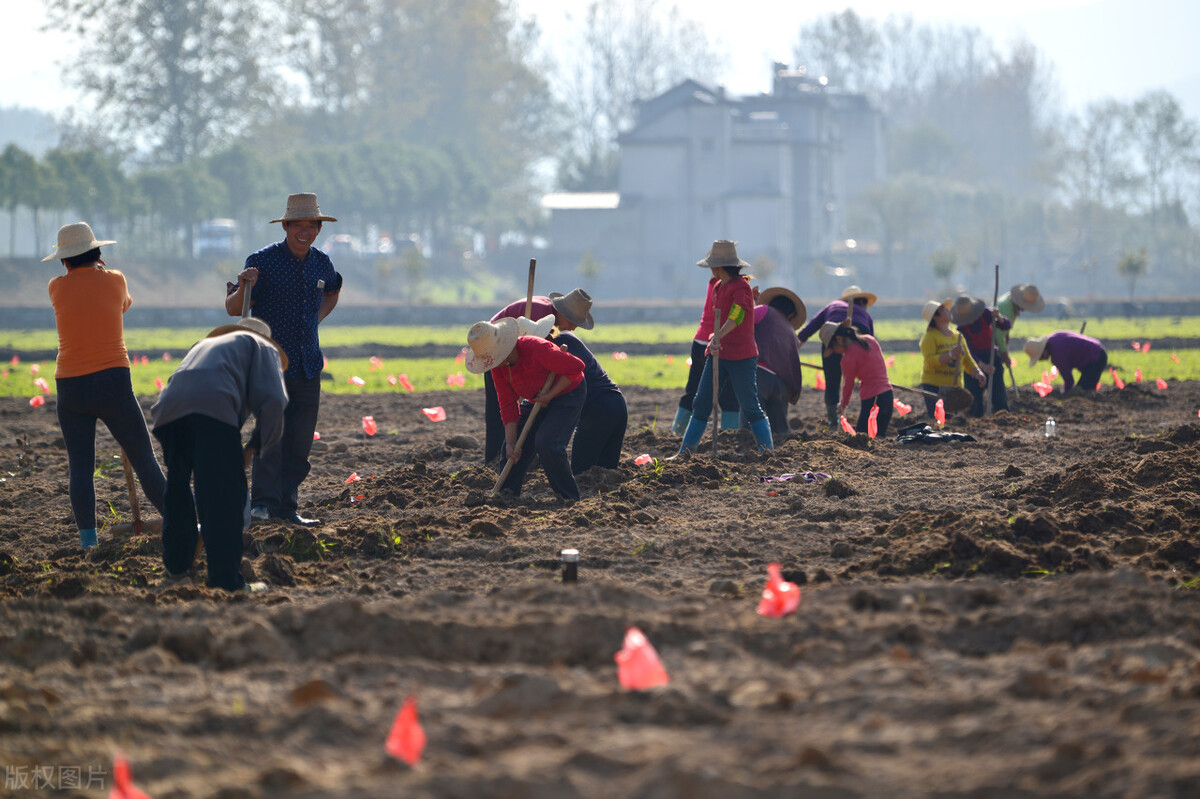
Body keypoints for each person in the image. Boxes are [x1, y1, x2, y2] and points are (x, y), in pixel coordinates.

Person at [44, 222, 167, 550]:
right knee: (144, 460)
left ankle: (88, 542)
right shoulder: (116, 280)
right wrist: (103, 273)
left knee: (80, 468)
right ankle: (180, 520)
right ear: (98, 254)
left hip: (69, 386)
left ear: (65, 261)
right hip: (112, 382)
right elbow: (124, 304)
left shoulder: (55, 287)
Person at [224, 193, 342, 527]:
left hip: (308, 364)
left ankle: (287, 506)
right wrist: (243, 286)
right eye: (298, 225)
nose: (305, 232)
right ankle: (262, 504)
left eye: (312, 226)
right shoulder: (263, 261)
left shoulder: (322, 263)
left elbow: (333, 290)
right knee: (271, 437)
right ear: (286, 226)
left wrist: (314, 320)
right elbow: (234, 308)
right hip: (271, 365)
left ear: (319, 229)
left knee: (300, 442)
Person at [150, 319, 287, 591]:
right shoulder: (261, 346)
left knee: (178, 491)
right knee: (222, 497)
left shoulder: (206, 345)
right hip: (213, 410)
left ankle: (177, 570)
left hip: (168, 413)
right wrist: (256, 446)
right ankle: (227, 583)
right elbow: (274, 400)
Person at [467, 317, 587, 502]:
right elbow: (508, 405)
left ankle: (569, 497)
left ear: (504, 351)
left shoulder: (535, 348)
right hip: (537, 397)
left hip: (566, 392)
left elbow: (576, 368)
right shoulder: (498, 368)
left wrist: (550, 394)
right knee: (514, 449)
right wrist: (510, 443)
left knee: (547, 443)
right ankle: (506, 495)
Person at [675, 240, 773, 454]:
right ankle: (685, 451)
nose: (711, 269)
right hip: (718, 353)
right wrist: (715, 339)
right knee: (701, 403)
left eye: (712, 266)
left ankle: (768, 452)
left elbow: (737, 316)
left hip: (742, 356)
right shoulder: (718, 287)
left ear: (720, 266)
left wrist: (717, 335)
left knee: (750, 405)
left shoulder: (741, 288)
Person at [482, 288, 594, 464]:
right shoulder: (539, 315)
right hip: (494, 353)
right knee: (503, 408)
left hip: (511, 354)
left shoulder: (552, 317)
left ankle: (524, 454)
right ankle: (496, 458)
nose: (573, 328)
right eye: (573, 322)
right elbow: (527, 352)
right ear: (562, 312)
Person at [544, 291, 627, 473]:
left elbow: (570, 376)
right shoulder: (567, 340)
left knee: (581, 474)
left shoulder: (561, 342)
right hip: (617, 405)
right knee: (606, 475)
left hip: (598, 410)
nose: (574, 327)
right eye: (573, 321)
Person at [672, 269, 740, 436]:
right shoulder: (731, 287)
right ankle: (729, 435)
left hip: (700, 341)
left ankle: (677, 432)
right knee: (729, 394)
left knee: (693, 389)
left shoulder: (713, 284)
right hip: (718, 345)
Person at [796, 285, 876, 427]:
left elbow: (809, 329)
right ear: (862, 302)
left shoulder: (833, 305)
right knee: (867, 381)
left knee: (832, 382)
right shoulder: (866, 315)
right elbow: (871, 343)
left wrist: (792, 351)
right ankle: (866, 420)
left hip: (832, 343)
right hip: (854, 341)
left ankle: (834, 420)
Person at [821, 321, 895, 438]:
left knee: (861, 438)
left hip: (871, 401)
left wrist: (843, 404)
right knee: (880, 437)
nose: (835, 352)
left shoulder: (848, 358)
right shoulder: (870, 340)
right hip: (887, 396)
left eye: (833, 348)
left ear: (839, 339)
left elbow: (848, 385)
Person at [750, 287, 806, 438]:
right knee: (781, 432)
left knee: (750, 428)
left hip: (760, 376)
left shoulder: (763, 310)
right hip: (782, 385)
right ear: (791, 314)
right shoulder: (791, 331)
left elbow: (742, 322)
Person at [919, 298, 986, 418]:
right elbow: (931, 361)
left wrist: (977, 373)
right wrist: (950, 354)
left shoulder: (958, 336)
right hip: (934, 387)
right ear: (936, 317)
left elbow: (967, 360)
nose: (948, 311)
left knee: (952, 421)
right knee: (938, 420)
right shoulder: (930, 337)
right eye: (943, 310)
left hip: (954, 389)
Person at [950, 295, 1011, 416]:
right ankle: (976, 424)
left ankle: (1002, 419)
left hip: (992, 356)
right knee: (974, 401)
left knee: (998, 396)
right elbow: (969, 352)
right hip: (973, 363)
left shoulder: (985, 314)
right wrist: (983, 367)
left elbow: (1006, 325)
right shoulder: (961, 329)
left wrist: (998, 317)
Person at [1024, 331, 1108, 394]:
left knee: (1082, 392)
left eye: (1040, 357)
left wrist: (1066, 394)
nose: (1042, 360)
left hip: (1096, 358)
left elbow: (1069, 380)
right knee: (1084, 389)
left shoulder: (1057, 353)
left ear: (1043, 351)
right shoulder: (1054, 337)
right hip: (1097, 351)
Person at [994, 283, 1045, 366]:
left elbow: (1005, 328)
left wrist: (1007, 335)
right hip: (990, 340)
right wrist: (1005, 355)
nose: (1024, 309)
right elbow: (999, 336)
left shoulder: (1011, 300)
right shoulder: (1007, 310)